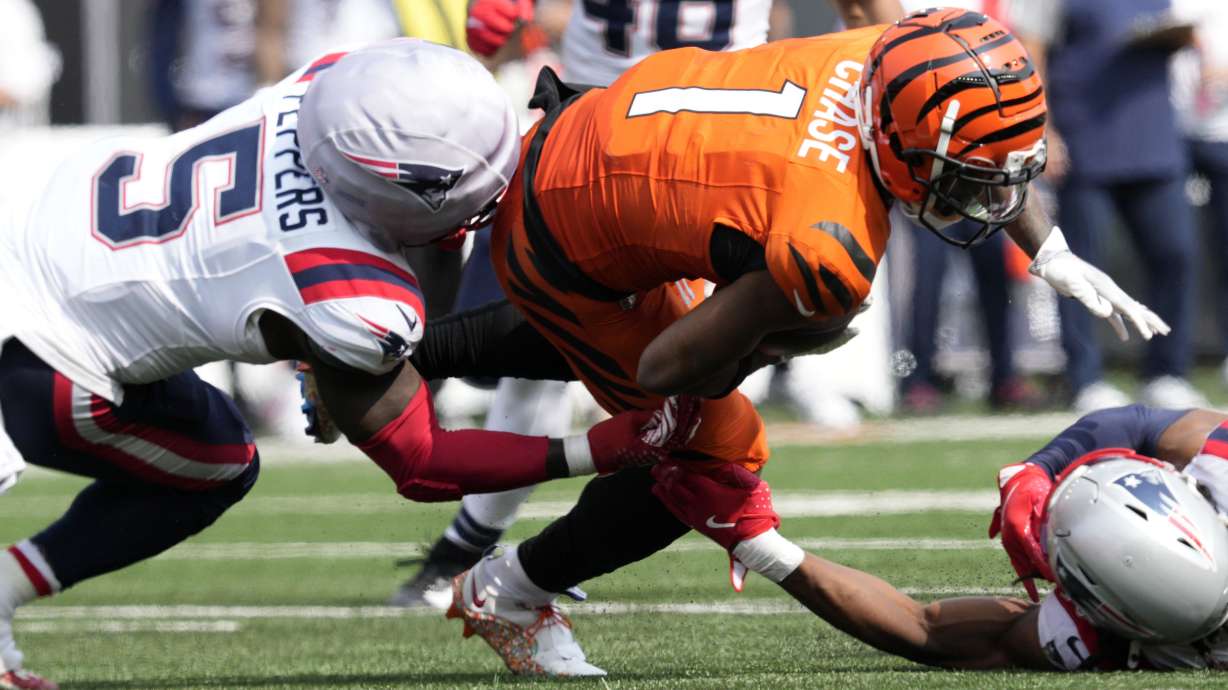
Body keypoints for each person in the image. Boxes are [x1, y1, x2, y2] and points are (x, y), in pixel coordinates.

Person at [443, 8, 1169, 677]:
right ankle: (509, 591)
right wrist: (787, 339)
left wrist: (1052, 252)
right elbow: (662, 367)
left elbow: (970, 133)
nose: (990, 199)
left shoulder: (884, 52)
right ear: (903, 150)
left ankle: (411, 351)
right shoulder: (828, 239)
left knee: (660, 332)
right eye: (969, 181)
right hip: (563, 238)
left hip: (586, 126)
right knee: (714, 448)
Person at [0, 40, 694, 690]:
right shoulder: (348, 294)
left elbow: (406, 211)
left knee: (213, 442)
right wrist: (604, 446)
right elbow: (422, 463)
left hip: (42, 230)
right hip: (49, 351)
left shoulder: (327, 82)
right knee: (214, 467)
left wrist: (323, 347)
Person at [391, 0, 909, 611]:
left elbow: (875, 34)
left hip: (682, 143)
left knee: (621, 359)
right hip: (650, 142)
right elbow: (877, 34)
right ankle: (492, 563)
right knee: (691, 419)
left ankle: (475, 542)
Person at [653, 404, 1228, 671]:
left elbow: (926, 631)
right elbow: (1135, 423)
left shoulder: (1094, 639)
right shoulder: (1217, 460)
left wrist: (763, 549)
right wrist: (1038, 469)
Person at [1010, 0, 1204, 412]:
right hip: (1086, 141)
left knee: (1176, 254)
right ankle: (1085, 378)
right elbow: (1031, 51)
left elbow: (1192, 36)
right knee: (1076, 263)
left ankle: (1166, 372)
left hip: (1154, 140)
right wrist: (1044, 129)